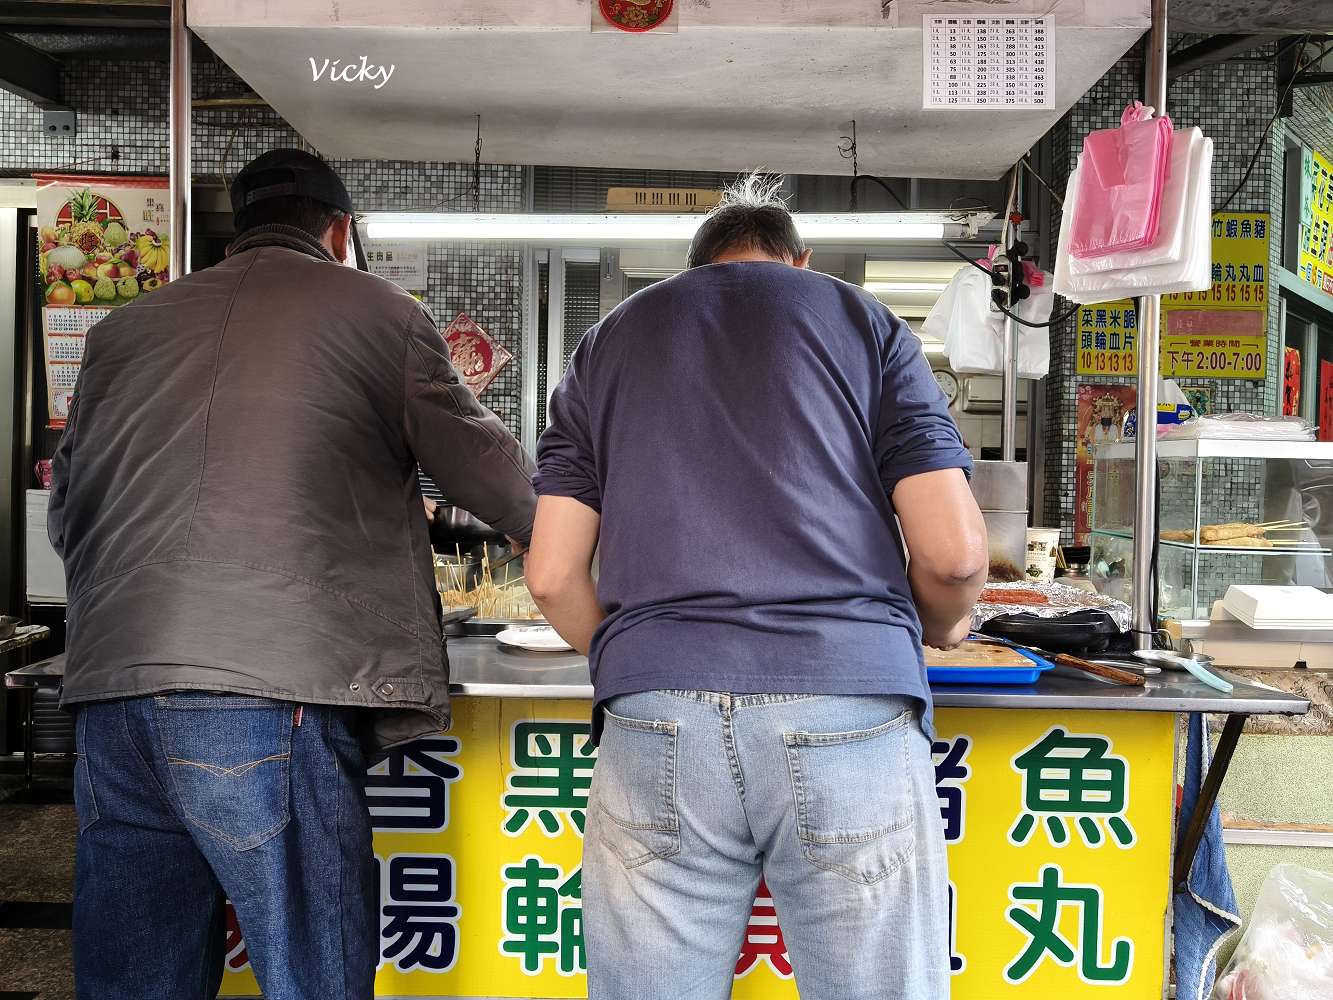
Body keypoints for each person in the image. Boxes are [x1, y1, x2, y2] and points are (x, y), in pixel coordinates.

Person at [49, 149, 537, 1000]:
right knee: (309, 965)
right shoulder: (381, 312)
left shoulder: (122, 328)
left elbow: (69, 514)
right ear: (340, 230)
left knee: (136, 977)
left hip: (111, 694)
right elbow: (498, 482)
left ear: (244, 226)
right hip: (264, 693)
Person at [526, 173, 987, 1000]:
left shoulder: (607, 342)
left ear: (694, 269)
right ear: (799, 263)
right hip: (849, 706)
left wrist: (641, 653)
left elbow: (552, 573)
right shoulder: (864, 323)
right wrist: (935, 629)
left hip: (655, 714)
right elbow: (953, 556)